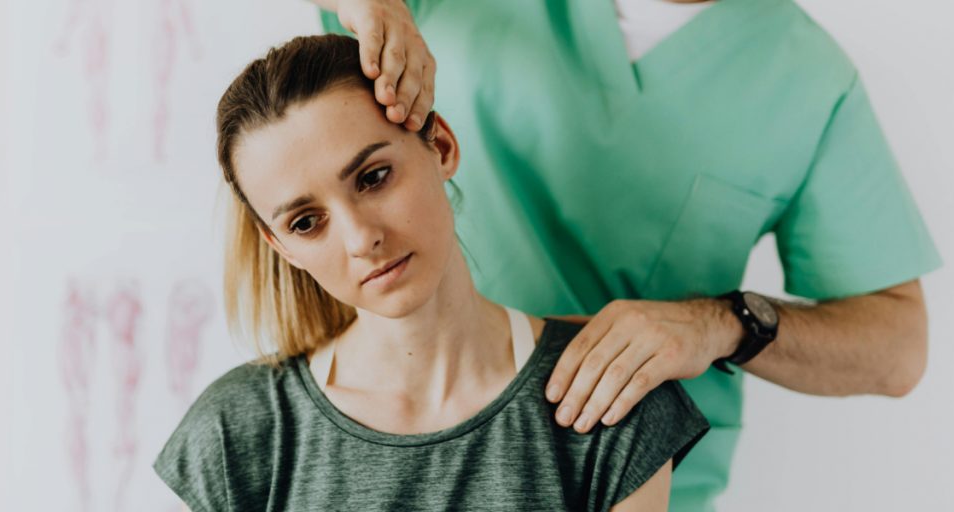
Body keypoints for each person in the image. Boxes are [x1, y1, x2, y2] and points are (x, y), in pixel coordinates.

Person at [309, 0, 943, 509]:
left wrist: (719, 323)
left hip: (629, 476)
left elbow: (898, 347)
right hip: (389, 447)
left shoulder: (806, 78)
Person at [153, 34, 710, 511]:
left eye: (373, 177)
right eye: (306, 222)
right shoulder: (236, 434)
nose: (360, 238)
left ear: (440, 146)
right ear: (281, 247)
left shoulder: (610, 399)